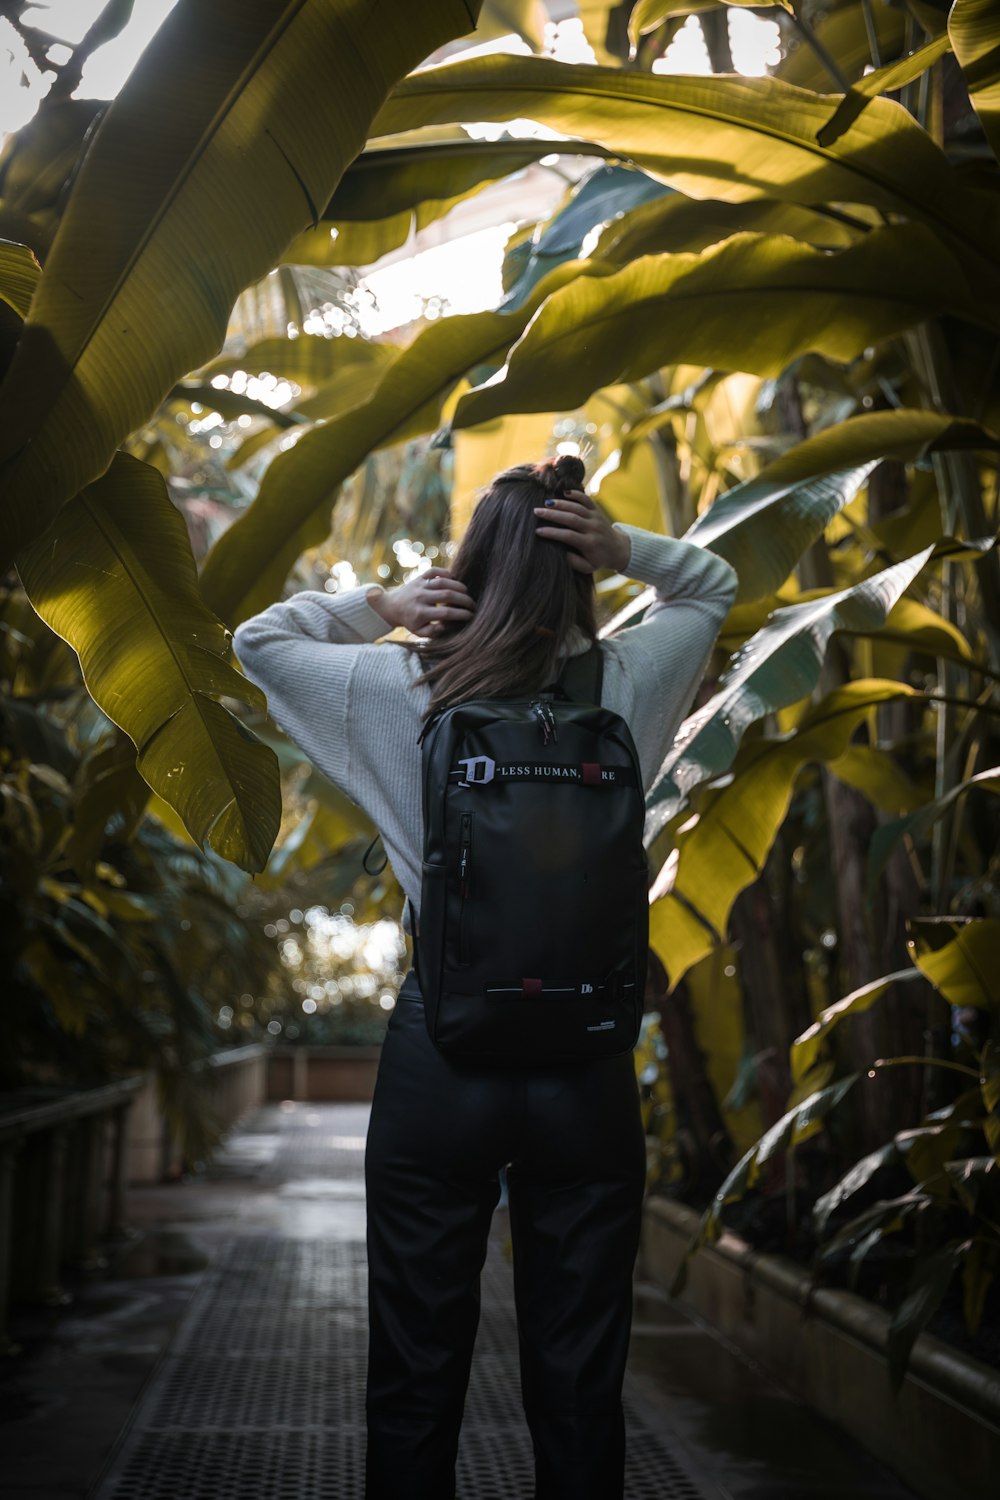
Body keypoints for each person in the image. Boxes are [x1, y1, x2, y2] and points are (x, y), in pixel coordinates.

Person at [232, 455, 738, 1499]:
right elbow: (713, 586)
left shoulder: (400, 684)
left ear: (466, 568)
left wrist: (381, 604)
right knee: (581, 1369)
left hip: (443, 1054)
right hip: (585, 1060)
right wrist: (627, 549)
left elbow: (260, 642)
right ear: (577, 566)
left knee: (415, 1365)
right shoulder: (629, 681)